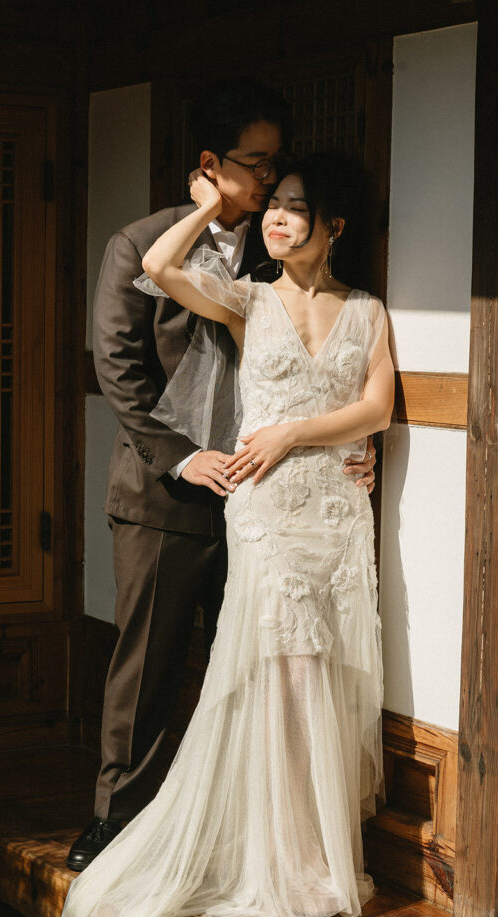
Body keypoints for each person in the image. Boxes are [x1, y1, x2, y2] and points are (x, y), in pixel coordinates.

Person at [42, 151, 394, 917]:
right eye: (272, 203)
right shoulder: (247, 299)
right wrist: (206, 209)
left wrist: (295, 435)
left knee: (326, 676)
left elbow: (377, 407)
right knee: (274, 670)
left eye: (294, 206)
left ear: (333, 226)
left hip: (334, 513)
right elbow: (160, 267)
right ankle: (273, 859)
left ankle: (310, 856)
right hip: (267, 513)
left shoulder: (369, 310)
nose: (275, 216)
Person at [68, 81, 376, 872]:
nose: (273, 183)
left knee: (248, 668)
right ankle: (115, 822)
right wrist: (181, 457)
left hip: (265, 499)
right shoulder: (138, 242)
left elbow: (326, 354)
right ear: (211, 165)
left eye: (278, 166)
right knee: (149, 665)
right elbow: (120, 375)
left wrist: (346, 444)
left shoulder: (278, 245)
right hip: (163, 491)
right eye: (258, 163)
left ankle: (232, 835)